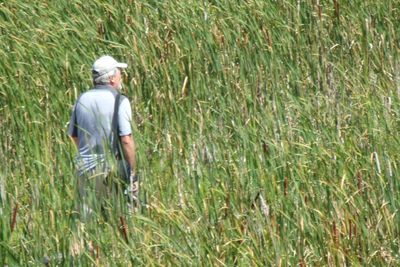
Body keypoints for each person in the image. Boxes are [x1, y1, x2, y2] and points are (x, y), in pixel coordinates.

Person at [68, 55, 138, 216]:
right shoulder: (120, 100)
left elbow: (74, 136)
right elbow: (126, 139)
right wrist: (132, 171)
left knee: (85, 221)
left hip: (83, 168)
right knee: (117, 218)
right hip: (110, 168)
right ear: (112, 78)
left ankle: (82, 242)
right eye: (119, 72)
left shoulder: (81, 99)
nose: (121, 76)